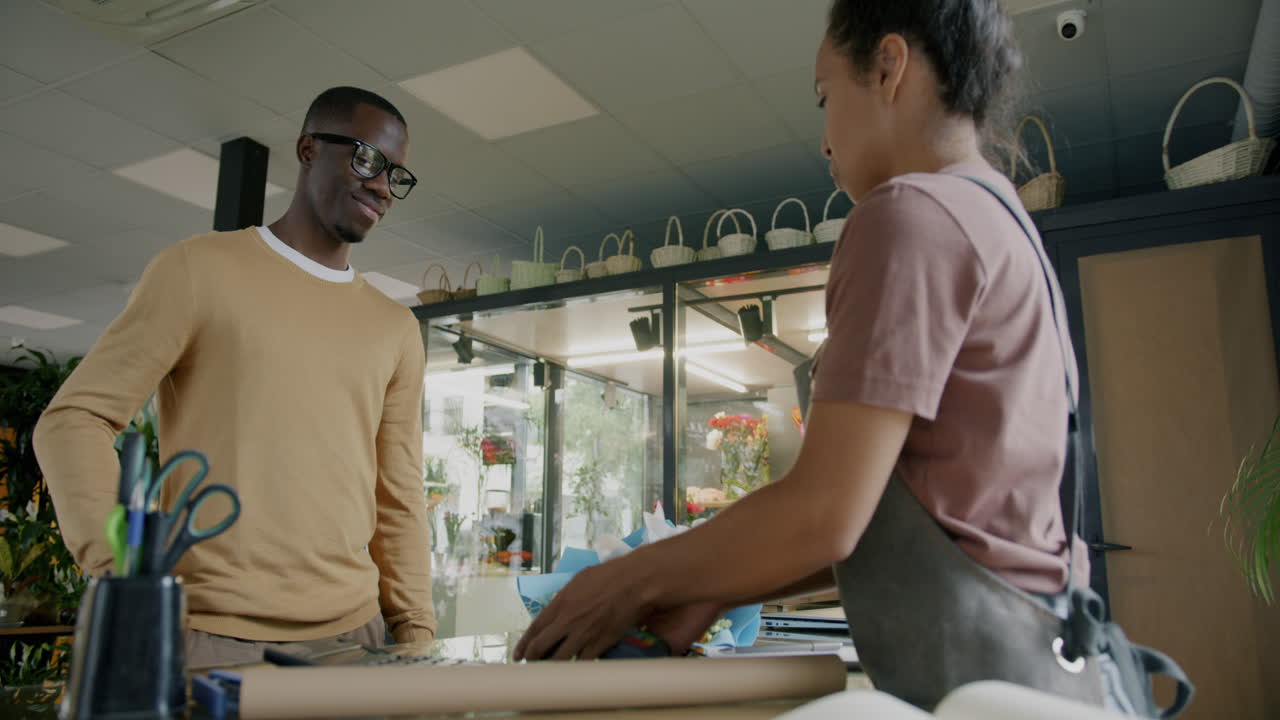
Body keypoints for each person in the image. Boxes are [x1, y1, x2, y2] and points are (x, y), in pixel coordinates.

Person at [516, 0, 1106, 710]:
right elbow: (882, 523)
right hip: (1040, 667)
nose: (824, 142)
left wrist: (624, 579)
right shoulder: (1001, 218)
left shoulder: (909, 213)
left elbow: (825, 511)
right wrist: (704, 586)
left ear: (888, 67)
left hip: (971, 687)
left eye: (826, 98)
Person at [34, 86, 436, 668]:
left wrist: (416, 632)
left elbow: (398, 494)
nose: (381, 185)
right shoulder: (197, 270)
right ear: (307, 149)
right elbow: (75, 419)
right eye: (366, 158)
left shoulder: (395, 327)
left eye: (395, 174)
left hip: (358, 636)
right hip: (209, 639)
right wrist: (126, 571)